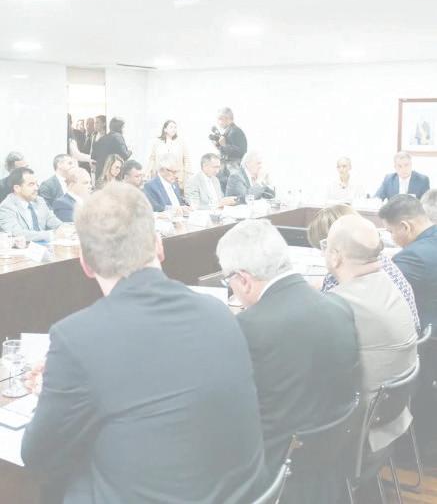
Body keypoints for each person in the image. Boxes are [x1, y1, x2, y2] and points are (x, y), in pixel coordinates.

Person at [21, 182, 268, 504]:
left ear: (85, 263)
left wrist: (55, 391)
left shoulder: (76, 338)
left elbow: (37, 455)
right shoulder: (219, 312)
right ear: (159, 246)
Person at [216, 218, 359, 503]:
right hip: (330, 457)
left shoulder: (247, 328)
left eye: (227, 280)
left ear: (243, 280)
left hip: (275, 467)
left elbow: (229, 412)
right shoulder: (338, 306)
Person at [326, 214, 417, 451]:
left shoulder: (339, 304)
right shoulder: (389, 282)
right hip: (390, 417)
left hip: (357, 429)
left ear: (335, 256)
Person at [307, 204, 421, 333]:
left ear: (336, 247)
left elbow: (321, 320)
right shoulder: (379, 261)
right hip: (406, 339)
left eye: (324, 247)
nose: (323, 254)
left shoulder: (339, 283)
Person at [379, 194, 437, 334]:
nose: (392, 238)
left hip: (427, 338)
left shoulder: (412, 258)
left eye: (391, 231)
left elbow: (382, 294)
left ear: (406, 227)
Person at [0, 167, 69, 242]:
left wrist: (67, 229)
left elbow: (55, 223)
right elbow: (17, 233)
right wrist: (50, 235)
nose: (36, 188)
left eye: (36, 184)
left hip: (45, 246)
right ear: (17, 188)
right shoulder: (6, 207)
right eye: (31, 184)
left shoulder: (40, 201)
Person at [146, 120, 192, 189]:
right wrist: (147, 172)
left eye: (175, 127)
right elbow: (152, 158)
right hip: (160, 176)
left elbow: (186, 159)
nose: (173, 129)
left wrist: (188, 174)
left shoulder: (181, 143)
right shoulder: (157, 143)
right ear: (165, 129)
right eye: (171, 127)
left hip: (176, 177)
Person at [212, 107, 248, 191]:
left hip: (232, 170)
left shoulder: (235, 131)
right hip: (227, 169)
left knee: (229, 191)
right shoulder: (230, 130)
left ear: (227, 119)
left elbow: (240, 152)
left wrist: (223, 146)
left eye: (220, 119)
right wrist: (219, 146)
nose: (218, 122)